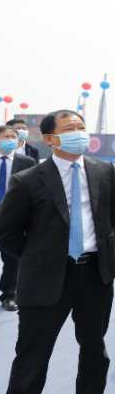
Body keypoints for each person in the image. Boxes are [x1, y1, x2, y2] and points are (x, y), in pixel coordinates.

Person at [0, 110, 115, 394]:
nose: (78, 133)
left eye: (81, 127)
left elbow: (113, 215)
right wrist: (38, 258)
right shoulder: (27, 180)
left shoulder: (104, 171)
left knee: (95, 352)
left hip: (95, 275)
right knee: (32, 358)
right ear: (50, 139)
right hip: (44, 279)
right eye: (69, 129)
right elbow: (6, 233)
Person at [0, 125, 36, 311]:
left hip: (13, 218)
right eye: (5, 137)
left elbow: (34, 190)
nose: (10, 140)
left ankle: (9, 294)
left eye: (12, 136)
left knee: (12, 259)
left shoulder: (27, 162)